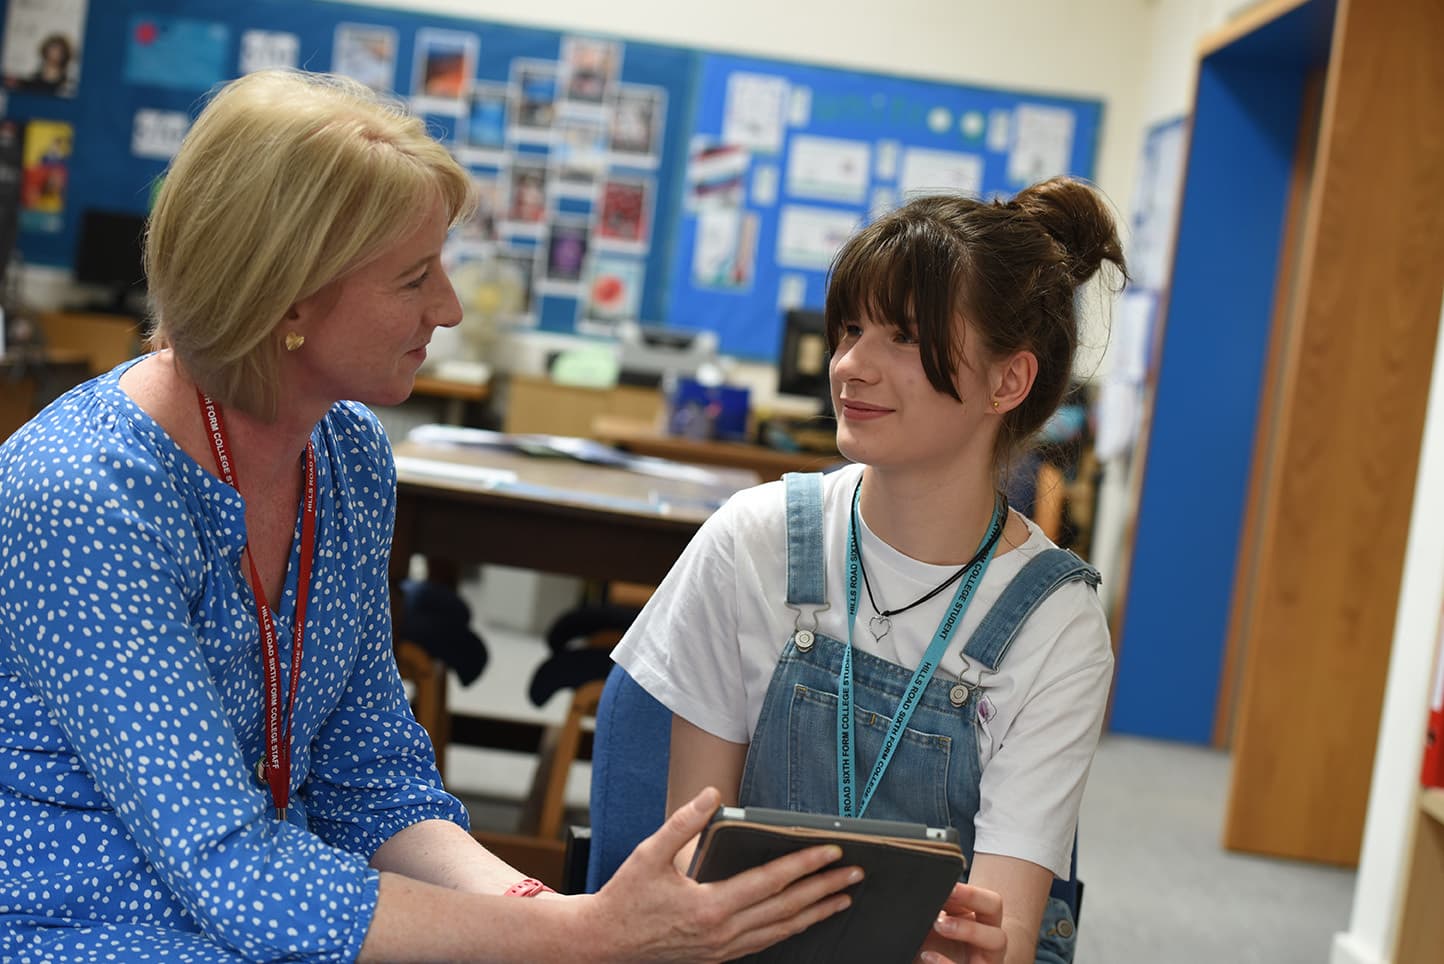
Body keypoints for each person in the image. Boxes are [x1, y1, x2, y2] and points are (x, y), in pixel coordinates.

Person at [0, 69, 861, 962]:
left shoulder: (345, 456)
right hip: (80, 930)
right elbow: (234, 871)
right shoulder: (85, 495)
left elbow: (372, 777)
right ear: (287, 297)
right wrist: (573, 936)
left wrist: (540, 912)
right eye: (415, 278)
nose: (448, 308)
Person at [613, 178, 1128, 964]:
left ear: (1008, 381)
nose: (850, 364)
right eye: (849, 329)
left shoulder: (1055, 624)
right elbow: (690, 859)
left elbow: (1004, 934)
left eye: (903, 336)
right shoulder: (753, 543)